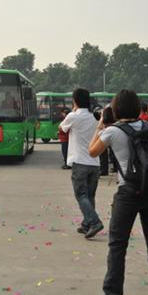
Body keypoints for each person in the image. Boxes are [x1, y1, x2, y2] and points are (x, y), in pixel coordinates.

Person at [88, 89, 148, 295]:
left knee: (118, 245)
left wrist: (100, 124)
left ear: (115, 108)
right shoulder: (146, 127)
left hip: (128, 191)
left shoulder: (112, 131)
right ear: (138, 108)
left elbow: (92, 151)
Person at [59, 88, 103, 239]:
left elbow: (62, 128)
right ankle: (87, 224)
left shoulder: (73, 116)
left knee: (81, 195)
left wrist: (73, 110)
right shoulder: (95, 117)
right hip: (95, 162)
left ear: (75, 101)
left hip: (80, 162)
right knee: (90, 195)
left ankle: (94, 222)